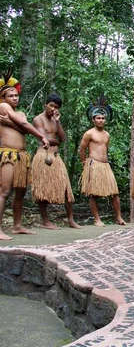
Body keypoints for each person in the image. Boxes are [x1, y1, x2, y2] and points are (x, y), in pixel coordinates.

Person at [0, 73, 50, 240]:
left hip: (22, 156)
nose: (15, 98)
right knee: (4, 191)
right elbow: (22, 125)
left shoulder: (19, 113)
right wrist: (41, 137)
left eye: (16, 95)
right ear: (3, 97)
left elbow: (24, 127)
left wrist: (9, 123)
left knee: (20, 192)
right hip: (8, 153)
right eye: (11, 96)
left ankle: (17, 226)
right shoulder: (2, 107)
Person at [28, 93, 81, 229]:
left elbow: (62, 139)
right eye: (51, 105)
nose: (53, 109)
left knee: (66, 188)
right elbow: (43, 138)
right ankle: (46, 221)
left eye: (56, 107)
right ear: (45, 104)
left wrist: (58, 122)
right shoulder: (38, 119)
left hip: (56, 157)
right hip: (43, 155)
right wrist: (54, 140)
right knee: (42, 188)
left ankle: (71, 219)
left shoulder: (55, 120)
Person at [79, 96, 125, 227]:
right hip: (94, 165)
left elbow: (105, 149)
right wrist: (84, 164)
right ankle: (97, 219)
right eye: (98, 118)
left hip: (105, 166)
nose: (101, 120)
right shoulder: (89, 133)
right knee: (94, 194)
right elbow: (82, 150)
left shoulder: (107, 134)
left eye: (103, 118)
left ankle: (119, 217)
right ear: (93, 119)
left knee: (114, 192)